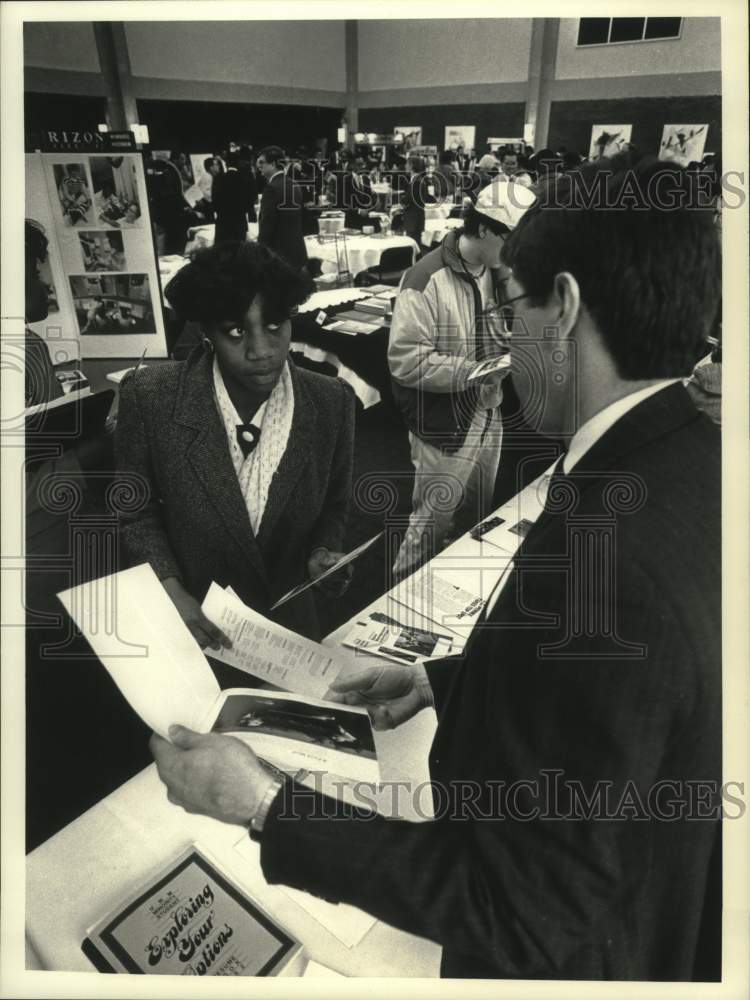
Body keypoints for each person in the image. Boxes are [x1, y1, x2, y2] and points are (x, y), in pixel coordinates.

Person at [151, 154, 722, 981]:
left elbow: (522, 914)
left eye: (513, 309)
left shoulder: (611, 556)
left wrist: (267, 805)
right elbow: (624, 711)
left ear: (562, 307)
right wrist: (442, 682)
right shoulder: (685, 455)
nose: (507, 335)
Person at [116, 241, 356, 643]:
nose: (261, 351)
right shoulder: (150, 396)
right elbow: (134, 512)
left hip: (288, 627)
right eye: (236, 331)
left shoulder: (332, 401)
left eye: (275, 325)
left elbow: (334, 505)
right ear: (207, 332)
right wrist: (171, 591)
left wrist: (323, 554)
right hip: (191, 621)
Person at [389, 177, 537, 578]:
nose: (520, 249)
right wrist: (475, 371)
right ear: (485, 228)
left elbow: (499, 329)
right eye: (514, 238)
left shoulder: (494, 268)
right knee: (429, 526)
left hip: (488, 410)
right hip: (445, 421)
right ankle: (397, 602)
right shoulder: (425, 279)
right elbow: (405, 361)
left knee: (477, 517)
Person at [256, 145, 308, 271]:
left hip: (277, 254)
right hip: (297, 251)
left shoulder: (271, 188)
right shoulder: (294, 184)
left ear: (273, 164)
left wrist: (259, 251)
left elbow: (267, 224)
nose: (259, 167)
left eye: (262, 163)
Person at [212, 150, 249, 245]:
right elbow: (249, 203)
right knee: (239, 255)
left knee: (221, 255)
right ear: (238, 163)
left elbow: (214, 204)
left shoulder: (218, 179)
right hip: (239, 223)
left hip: (223, 223)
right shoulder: (245, 179)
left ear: (226, 163)